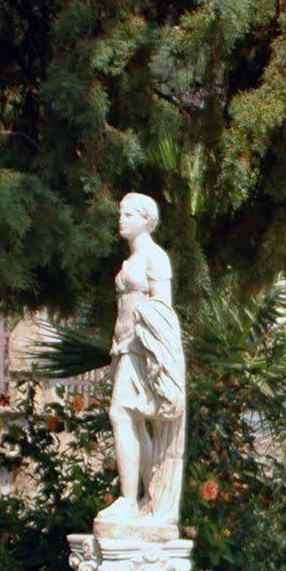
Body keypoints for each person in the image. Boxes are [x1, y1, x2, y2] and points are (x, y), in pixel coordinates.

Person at [97, 192, 185, 527]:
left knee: (120, 413)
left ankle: (129, 500)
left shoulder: (155, 256)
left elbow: (163, 307)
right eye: (121, 213)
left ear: (147, 219)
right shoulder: (129, 261)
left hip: (141, 346)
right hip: (122, 345)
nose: (122, 219)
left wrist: (151, 350)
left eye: (129, 214)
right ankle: (152, 495)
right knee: (131, 420)